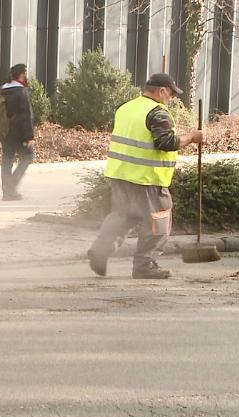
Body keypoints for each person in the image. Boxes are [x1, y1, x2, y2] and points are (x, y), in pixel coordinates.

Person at [88, 73, 204, 279]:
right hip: (147, 178)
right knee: (158, 220)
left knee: (123, 216)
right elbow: (166, 142)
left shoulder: (126, 108)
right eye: (170, 94)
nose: (171, 98)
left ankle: (100, 251)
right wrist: (193, 137)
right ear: (160, 91)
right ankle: (145, 265)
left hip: (121, 174)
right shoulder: (158, 112)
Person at [0, 63, 35, 201]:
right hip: (19, 134)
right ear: (22, 75)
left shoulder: (3, 90)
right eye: (26, 73)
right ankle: (11, 187)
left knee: (7, 160)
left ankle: (7, 192)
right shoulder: (21, 92)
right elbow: (26, 116)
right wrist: (29, 136)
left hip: (5, 132)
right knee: (28, 157)